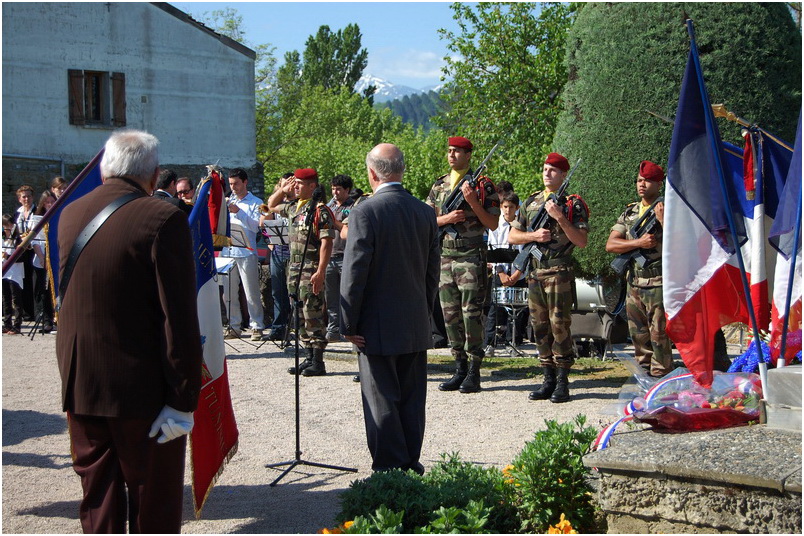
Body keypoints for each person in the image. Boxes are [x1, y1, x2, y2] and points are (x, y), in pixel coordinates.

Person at [55, 129, 202, 533]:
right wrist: (184, 397)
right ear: (153, 175)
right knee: (152, 502)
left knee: (97, 500)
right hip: (142, 390)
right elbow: (180, 318)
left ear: (104, 170)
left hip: (82, 382)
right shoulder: (163, 217)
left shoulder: (69, 213)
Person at [340, 143, 439, 474]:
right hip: (413, 320)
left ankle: (390, 471)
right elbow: (431, 272)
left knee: (381, 400)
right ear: (402, 169)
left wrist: (347, 323)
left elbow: (355, 272)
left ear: (371, 173)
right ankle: (411, 463)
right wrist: (422, 314)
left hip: (375, 325)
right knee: (412, 400)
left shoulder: (365, 212)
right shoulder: (425, 211)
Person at [507, 152, 588, 403]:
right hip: (535, 273)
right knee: (539, 326)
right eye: (545, 168)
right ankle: (548, 378)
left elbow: (581, 241)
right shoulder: (531, 202)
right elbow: (513, 236)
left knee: (559, 325)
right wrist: (534, 237)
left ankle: (563, 380)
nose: (547, 173)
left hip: (559, 273)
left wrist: (560, 217)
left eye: (553, 170)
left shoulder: (573, 204)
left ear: (564, 175)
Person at [427, 136, 499, 394]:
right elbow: (427, 220)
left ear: (468, 155)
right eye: (449, 151)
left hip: (471, 256)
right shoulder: (440, 185)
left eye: (457, 151)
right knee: (450, 315)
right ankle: (458, 367)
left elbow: (492, 224)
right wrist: (446, 218)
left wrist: (473, 203)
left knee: (470, 314)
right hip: (445, 256)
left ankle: (474, 371)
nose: (451, 155)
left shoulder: (483, 186)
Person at [605, 160, 672, 377]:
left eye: (648, 180)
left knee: (659, 337)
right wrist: (638, 243)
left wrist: (663, 222)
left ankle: (660, 384)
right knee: (638, 337)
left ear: (659, 184)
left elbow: (682, 244)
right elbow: (611, 244)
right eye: (639, 180)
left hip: (659, 284)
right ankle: (642, 381)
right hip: (634, 283)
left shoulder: (669, 210)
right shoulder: (630, 212)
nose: (642, 184)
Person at [268, 168, 336, 376]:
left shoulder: (320, 210)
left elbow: (326, 242)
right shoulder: (293, 208)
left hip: (311, 267)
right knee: (298, 313)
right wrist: (283, 189)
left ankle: (318, 361)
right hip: (294, 268)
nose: (295, 186)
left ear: (312, 186)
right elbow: (270, 206)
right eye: (294, 183)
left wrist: (321, 271)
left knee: (312, 313)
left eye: (299, 183)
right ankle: (307, 357)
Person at [221, 168, 265, 341]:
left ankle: (257, 326)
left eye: (236, 183)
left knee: (251, 291)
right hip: (228, 250)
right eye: (231, 184)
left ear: (245, 182)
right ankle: (234, 325)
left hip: (247, 251)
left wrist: (238, 211)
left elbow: (256, 227)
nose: (234, 187)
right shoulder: (228, 199)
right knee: (228, 292)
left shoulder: (256, 202)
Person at [484, 191, 527, 355]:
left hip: (517, 274)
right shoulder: (495, 226)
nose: (507, 211)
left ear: (517, 208)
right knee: (495, 310)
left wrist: (517, 273)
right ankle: (490, 343)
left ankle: (512, 343)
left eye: (511, 207)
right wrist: (501, 273)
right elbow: (492, 248)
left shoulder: (522, 226)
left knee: (516, 311)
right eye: (505, 207)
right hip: (499, 273)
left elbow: (524, 252)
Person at [262, 172, 295, 341]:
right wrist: (281, 191)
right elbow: (263, 220)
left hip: (294, 254)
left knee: (294, 294)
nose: (287, 188)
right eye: (283, 185)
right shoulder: (276, 203)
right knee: (277, 293)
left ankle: (295, 327)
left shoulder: (297, 203)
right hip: (278, 252)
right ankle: (278, 327)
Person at [324, 174, 355, 341]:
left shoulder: (353, 207)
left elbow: (346, 229)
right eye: (333, 189)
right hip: (329, 256)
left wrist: (330, 218)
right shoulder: (330, 206)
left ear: (347, 190)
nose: (335, 192)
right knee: (331, 297)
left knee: (347, 296)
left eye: (338, 189)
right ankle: (333, 329)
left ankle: (347, 329)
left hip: (345, 257)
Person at [31, 191, 56, 332]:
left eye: (52, 201)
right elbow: (35, 241)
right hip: (42, 257)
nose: (50, 204)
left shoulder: (59, 215)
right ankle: (46, 319)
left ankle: (56, 317)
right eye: (47, 202)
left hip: (54, 256)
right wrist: (42, 259)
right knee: (43, 290)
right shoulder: (37, 218)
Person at [15, 185, 37, 321]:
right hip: (22, 250)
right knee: (23, 281)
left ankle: (35, 312)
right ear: (19, 199)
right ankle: (27, 312)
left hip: (35, 249)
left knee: (34, 281)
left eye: (28, 196)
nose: (26, 199)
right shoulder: (17, 213)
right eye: (24, 196)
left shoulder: (37, 211)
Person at [2, 214, 24, 334]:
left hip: (15, 272)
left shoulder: (17, 239)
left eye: (10, 226)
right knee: (6, 298)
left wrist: (8, 256)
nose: (8, 229)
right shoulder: (2, 239)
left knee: (16, 299)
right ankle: (7, 323)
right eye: (5, 227)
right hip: (4, 272)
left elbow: (22, 257)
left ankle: (17, 324)